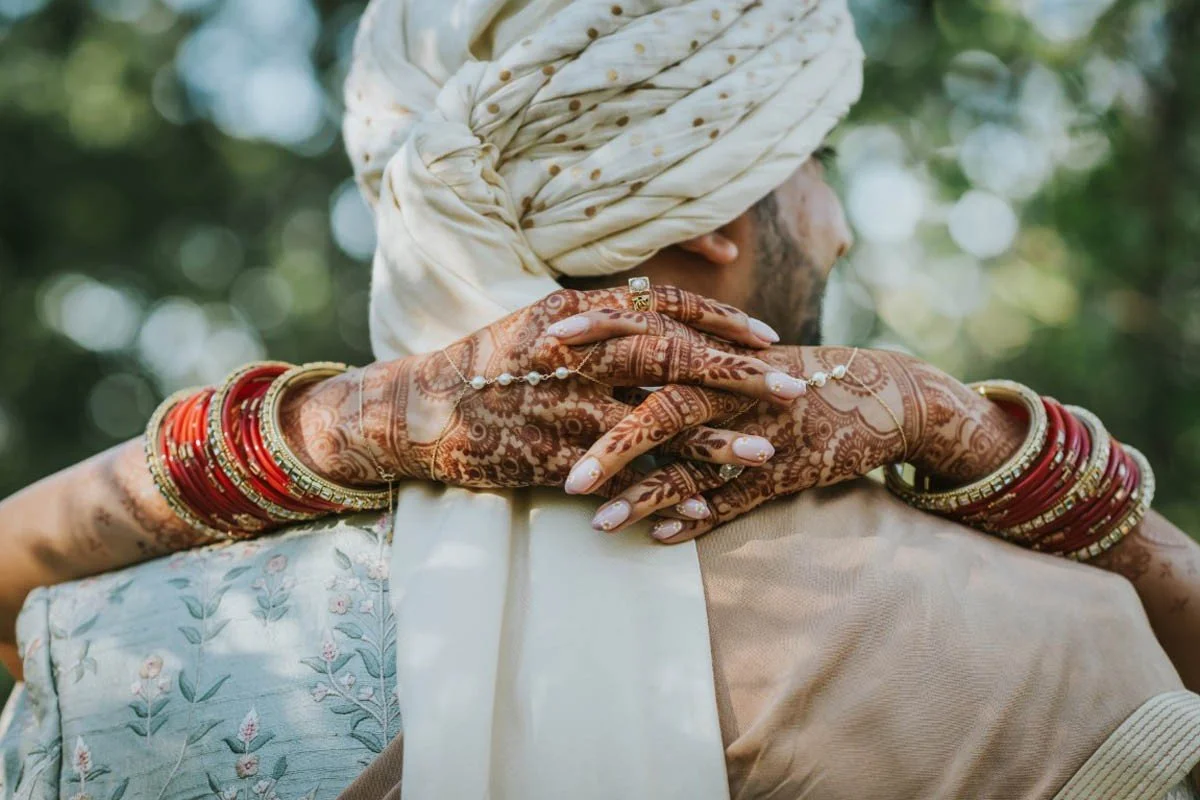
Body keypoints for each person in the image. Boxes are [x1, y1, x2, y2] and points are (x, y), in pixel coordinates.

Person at [1, 0, 1199, 798]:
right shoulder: (1035, 632)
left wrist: (342, 427)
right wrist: (967, 430)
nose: (834, 224)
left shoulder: (137, 642)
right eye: (817, 158)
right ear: (715, 216)